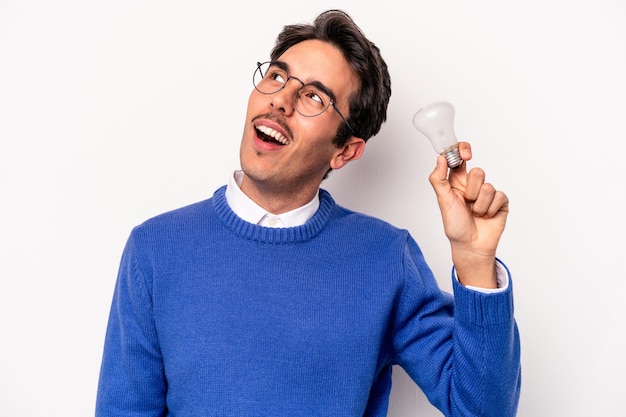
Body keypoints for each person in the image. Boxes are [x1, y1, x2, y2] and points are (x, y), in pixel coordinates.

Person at [96, 9, 521, 417]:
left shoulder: (386, 257)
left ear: (345, 151)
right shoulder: (155, 249)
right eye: (277, 76)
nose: (280, 99)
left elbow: (481, 410)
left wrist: (474, 262)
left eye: (313, 96)